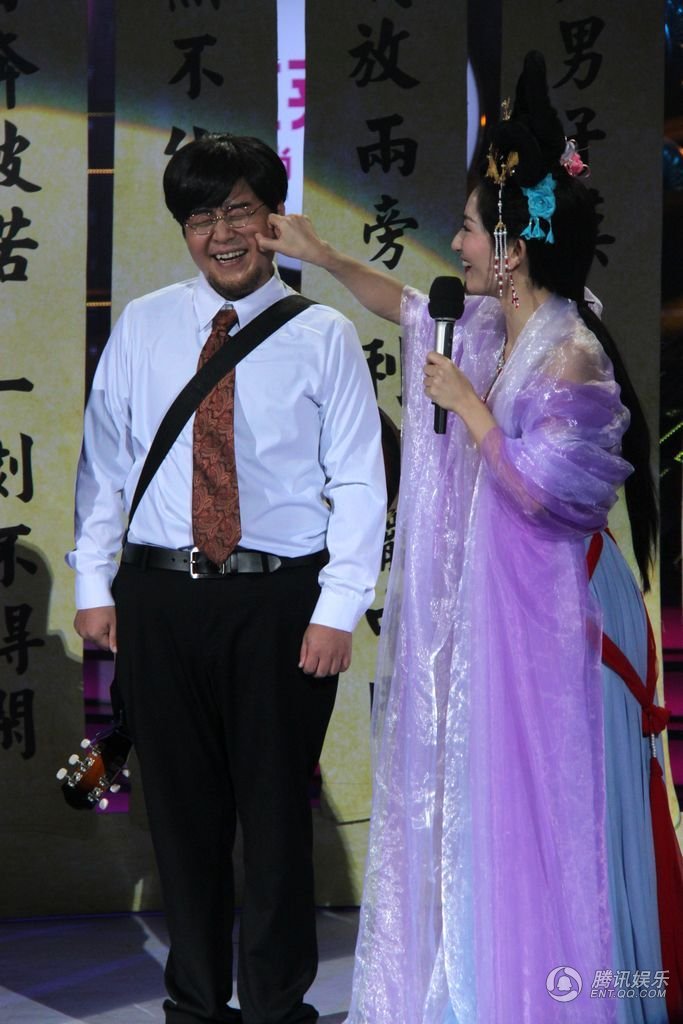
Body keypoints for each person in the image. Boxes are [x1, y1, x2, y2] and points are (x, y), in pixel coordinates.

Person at [258, 52, 680, 1024]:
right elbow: (404, 306)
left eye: (465, 228)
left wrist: (471, 411)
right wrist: (324, 256)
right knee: (484, 809)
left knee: (547, 815)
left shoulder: (569, 350)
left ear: (512, 247)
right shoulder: (490, 324)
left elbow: (550, 492)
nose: (453, 243)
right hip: (504, 609)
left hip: (555, 620)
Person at [67, 133, 387, 1024]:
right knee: (182, 819)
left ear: (273, 217)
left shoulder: (323, 335)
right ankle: (196, 1005)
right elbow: (105, 464)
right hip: (161, 598)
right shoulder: (144, 324)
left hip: (280, 602)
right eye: (201, 217)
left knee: (277, 817)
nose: (222, 234)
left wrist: (337, 607)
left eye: (239, 210)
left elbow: (359, 481)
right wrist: (94, 585)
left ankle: (278, 1008)